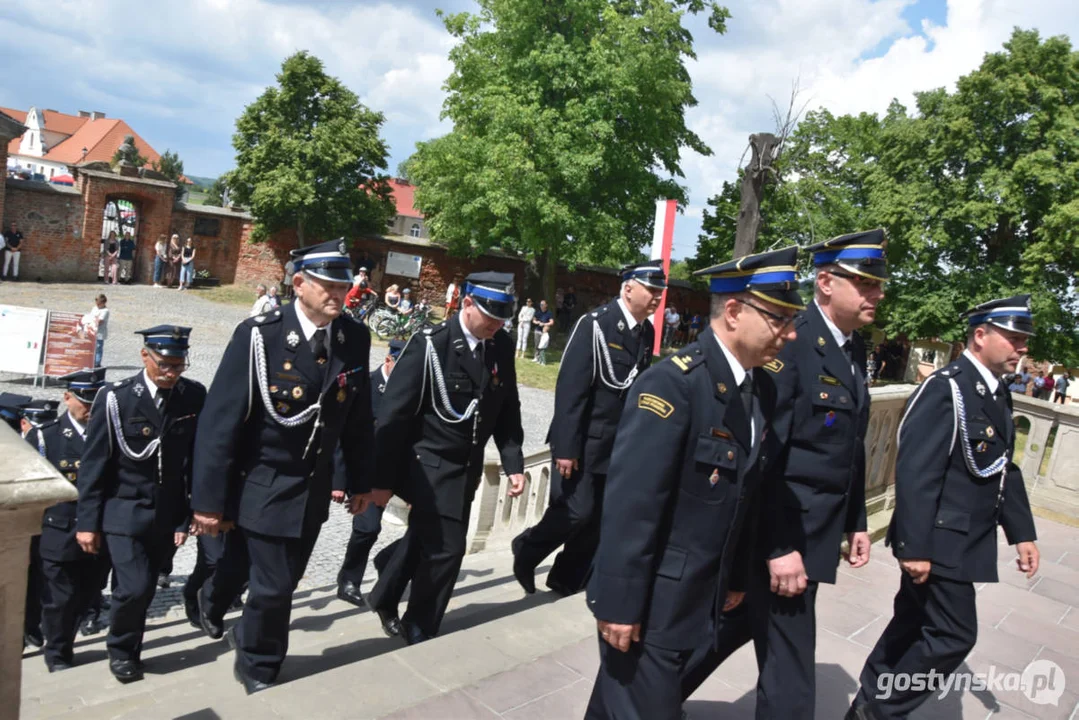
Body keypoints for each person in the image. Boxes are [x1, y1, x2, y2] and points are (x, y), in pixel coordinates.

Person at [585, 247, 803, 719]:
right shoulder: (672, 385)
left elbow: (744, 493)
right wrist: (620, 604)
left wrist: (739, 574)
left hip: (698, 599)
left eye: (793, 321)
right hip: (652, 606)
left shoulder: (758, 387)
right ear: (733, 311)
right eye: (779, 320)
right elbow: (632, 506)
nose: (789, 335)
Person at [680, 229, 888, 718]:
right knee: (791, 675)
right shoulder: (791, 342)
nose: (877, 294)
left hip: (812, 531)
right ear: (826, 282)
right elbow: (765, 457)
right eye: (865, 283)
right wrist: (779, 546)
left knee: (735, 626)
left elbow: (846, 448)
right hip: (781, 533)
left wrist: (855, 519)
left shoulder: (851, 349)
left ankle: (641, 697)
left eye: (878, 284)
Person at [189, 239, 376, 694]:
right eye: (329, 285)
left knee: (264, 573)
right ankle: (258, 663)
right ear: (299, 284)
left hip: (312, 488)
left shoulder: (354, 338)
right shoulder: (260, 335)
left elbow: (357, 419)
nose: (339, 294)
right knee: (274, 588)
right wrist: (209, 502)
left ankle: (213, 600)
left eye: (344, 286)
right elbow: (220, 424)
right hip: (263, 480)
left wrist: (362, 481)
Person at [846, 295, 1040, 720]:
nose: (1022, 347)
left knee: (911, 626)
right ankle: (880, 713)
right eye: (1014, 337)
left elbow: (1004, 467)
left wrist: (1022, 531)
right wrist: (914, 546)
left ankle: (867, 703)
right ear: (980, 335)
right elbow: (916, 471)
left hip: (965, 538)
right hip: (938, 539)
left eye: (1024, 339)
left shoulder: (994, 392)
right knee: (954, 635)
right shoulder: (947, 388)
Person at [366, 272, 526, 645]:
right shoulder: (431, 345)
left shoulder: (500, 344)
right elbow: (394, 416)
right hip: (427, 465)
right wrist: (382, 481)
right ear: (467, 304)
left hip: (466, 467)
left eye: (504, 317)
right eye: (491, 315)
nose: (497, 324)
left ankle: (384, 593)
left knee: (426, 538)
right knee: (448, 548)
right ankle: (420, 624)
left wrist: (513, 462)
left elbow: (508, 409)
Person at [513, 261, 664, 597]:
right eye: (651, 290)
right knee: (575, 512)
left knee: (599, 518)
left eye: (659, 292)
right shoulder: (596, 325)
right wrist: (566, 447)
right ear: (628, 288)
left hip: (618, 444)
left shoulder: (646, 331)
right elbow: (571, 389)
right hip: (583, 440)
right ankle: (527, 549)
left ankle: (567, 578)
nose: (656, 298)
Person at [75, 326, 206, 684]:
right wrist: (86, 521)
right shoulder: (116, 399)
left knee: (145, 588)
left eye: (179, 366)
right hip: (124, 509)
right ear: (145, 356)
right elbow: (94, 463)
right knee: (132, 586)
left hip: (167, 514)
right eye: (165, 364)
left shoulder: (192, 396)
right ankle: (119, 651)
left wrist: (189, 515)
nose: (172, 373)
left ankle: (132, 649)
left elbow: (195, 460)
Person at [28, 369, 107, 672]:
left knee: (86, 594)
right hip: (60, 529)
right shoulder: (45, 436)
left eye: (95, 400)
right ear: (67, 397)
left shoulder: (109, 431)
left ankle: (66, 640)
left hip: (99, 530)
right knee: (60, 597)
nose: (89, 407)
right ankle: (57, 654)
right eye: (83, 400)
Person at [335, 339, 406, 607]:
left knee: (430, 525)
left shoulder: (411, 390)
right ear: (389, 360)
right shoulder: (365, 386)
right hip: (368, 473)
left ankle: (387, 559)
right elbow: (345, 436)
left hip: (399, 471)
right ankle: (349, 580)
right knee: (368, 529)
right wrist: (340, 480)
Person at [18, 399, 61, 652]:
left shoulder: (53, 440)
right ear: (24, 423)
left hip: (48, 525)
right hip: (19, 527)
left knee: (39, 579)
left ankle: (31, 628)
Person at [79, 294, 110, 368]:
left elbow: (99, 322)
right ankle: (90, 361)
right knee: (90, 347)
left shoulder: (105, 311)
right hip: (91, 331)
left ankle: (97, 363)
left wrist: (93, 320)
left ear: (103, 303)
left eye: (99, 304)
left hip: (99, 333)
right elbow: (90, 317)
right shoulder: (94, 308)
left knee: (98, 348)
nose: (97, 305)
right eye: (97, 303)